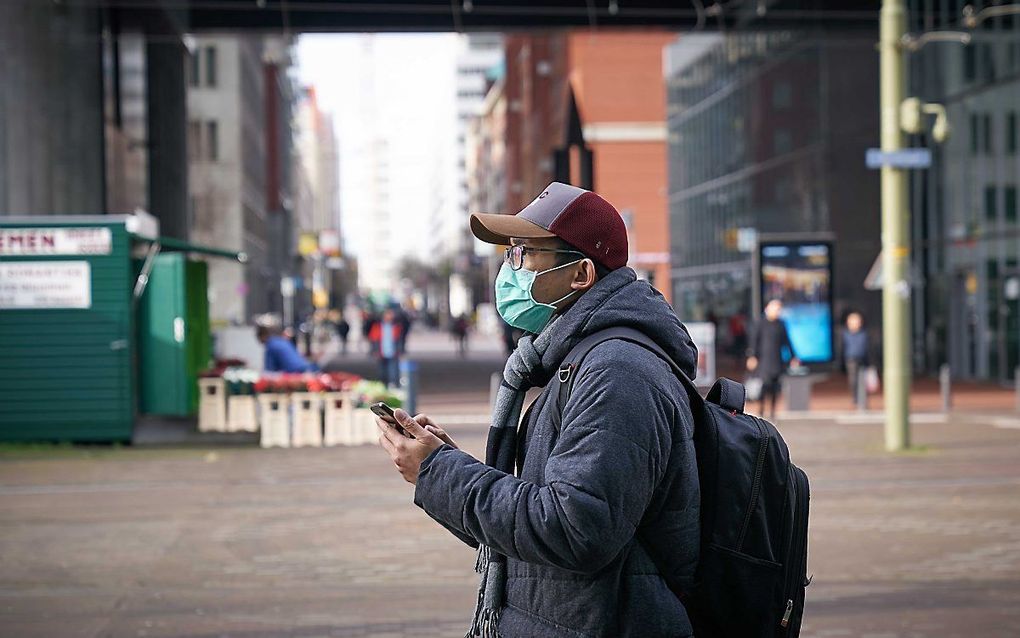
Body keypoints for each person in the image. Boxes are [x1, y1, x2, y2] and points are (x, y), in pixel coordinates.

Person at [376, 182, 700, 637]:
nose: (510, 270)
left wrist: (439, 473)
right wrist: (445, 463)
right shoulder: (574, 360)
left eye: (525, 254)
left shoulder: (617, 371)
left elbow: (574, 530)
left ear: (581, 274)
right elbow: (532, 528)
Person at [746, 299, 798, 419]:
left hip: (777, 360)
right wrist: (751, 356)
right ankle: (762, 411)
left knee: (775, 387)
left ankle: (773, 413)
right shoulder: (761, 323)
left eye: (778, 309)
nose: (777, 312)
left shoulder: (781, 324)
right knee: (764, 386)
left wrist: (793, 356)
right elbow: (754, 341)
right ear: (767, 309)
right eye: (775, 309)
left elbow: (787, 341)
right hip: (764, 360)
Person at [369, 308, 403, 388]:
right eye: (388, 314)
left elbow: (399, 339)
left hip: (393, 352)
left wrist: (400, 350)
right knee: (382, 372)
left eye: (391, 314)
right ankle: (383, 386)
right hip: (381, 352)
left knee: (393, 372)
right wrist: (374, 350)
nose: (390, 316)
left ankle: (393, 386)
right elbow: (374, 339)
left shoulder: (396, 326)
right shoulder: (377, 326)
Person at [841, 311, 870, 404]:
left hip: (863, 359)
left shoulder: (864, 334)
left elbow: (867, 347)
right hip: (851, 359)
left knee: (864, 380)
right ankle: (855, 398)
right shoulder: (845, 334)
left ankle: (863, 397)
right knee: (853, 380)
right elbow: (843, 347)